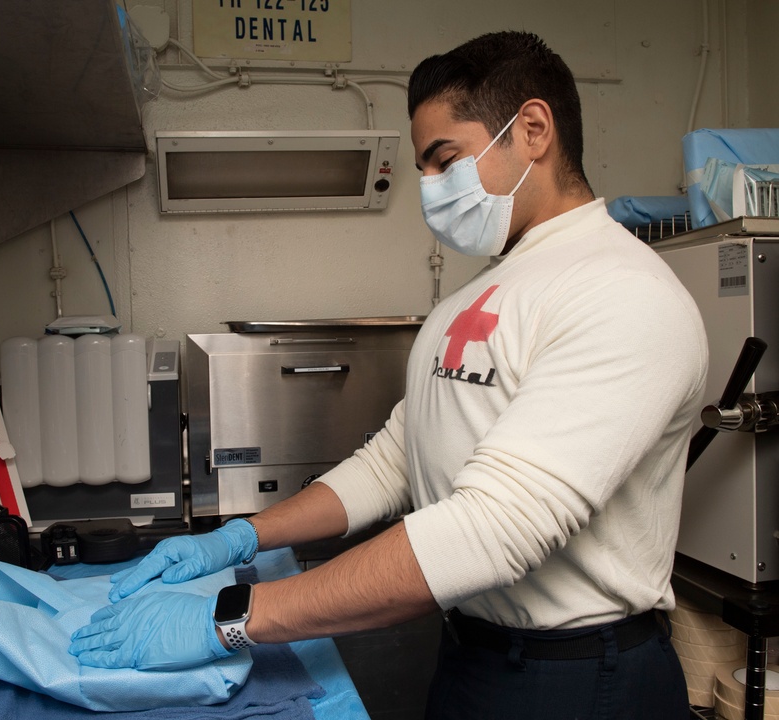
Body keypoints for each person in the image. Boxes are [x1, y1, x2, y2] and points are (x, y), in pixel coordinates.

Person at [68, 31, 708, 720]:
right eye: (423, 168)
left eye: (445, 160)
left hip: (581, 680)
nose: (430, 191)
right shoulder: (471, 300)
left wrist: (228, 618)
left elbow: (493, 529)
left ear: (532, 130)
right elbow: (393, 461)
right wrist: (241, 537)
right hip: (471, 657)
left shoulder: (622, 293)